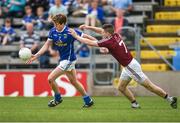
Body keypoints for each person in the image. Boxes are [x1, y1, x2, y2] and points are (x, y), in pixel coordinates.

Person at [69, 24, 178, 109]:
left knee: (149, 86)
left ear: (107, 33)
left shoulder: (109, 41)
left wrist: (76, 36)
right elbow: (100, 30)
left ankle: (170, 98)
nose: (102, 34)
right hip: (128, 65)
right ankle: (134, 103)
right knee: (121, 87)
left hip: (131, 67)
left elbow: (89, 42)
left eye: (103, 33)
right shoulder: (115, 35)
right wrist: (87, 27)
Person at [26, 14, 94, 108]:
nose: (54, 25)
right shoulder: (53, 31)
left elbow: (85, 36)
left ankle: (57, 98)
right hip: (64, 60)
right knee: (74, 81)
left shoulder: (70, 32)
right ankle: (88, 100)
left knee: (50, 78)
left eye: (56, 23)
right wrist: (36, 55)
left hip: (68, 60)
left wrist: (98, 42)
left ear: (62, 24)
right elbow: (46, 45)